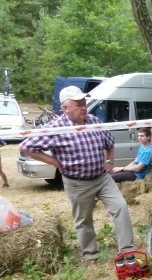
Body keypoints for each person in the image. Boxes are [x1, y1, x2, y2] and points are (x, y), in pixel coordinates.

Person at [19, 86, 135, 261]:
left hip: (102, 178)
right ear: (65, 108)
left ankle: (127, 251)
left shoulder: (94, 121)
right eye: (78, 103)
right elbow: (26, 147)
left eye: (84, 103)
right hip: (77, 182)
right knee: (84, 220)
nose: (83, 107)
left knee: (121, 207)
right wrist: (55, 163)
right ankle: (91, 255)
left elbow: (109, 143)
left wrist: (109, 162)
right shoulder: (55, 128)